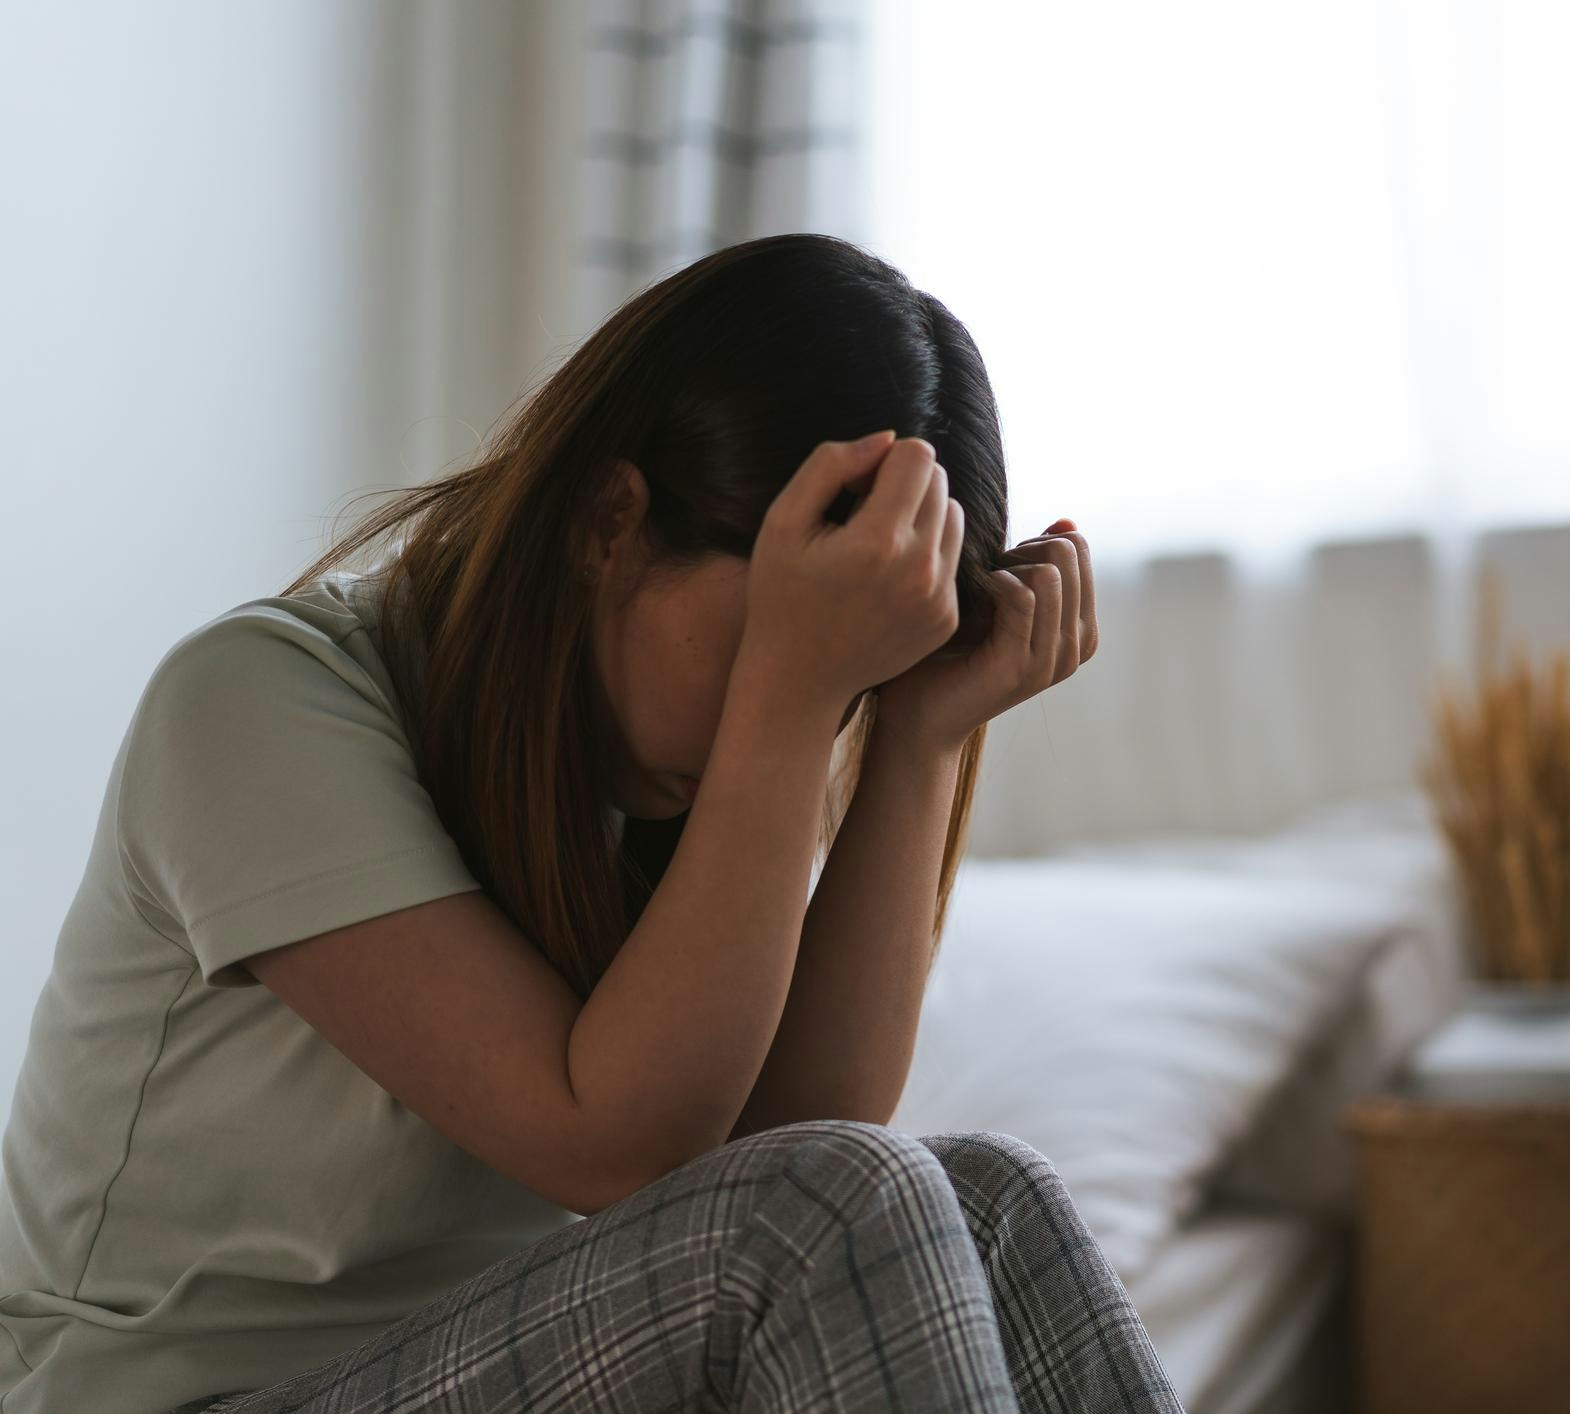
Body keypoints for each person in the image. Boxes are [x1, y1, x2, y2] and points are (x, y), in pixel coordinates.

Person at [0, 232, 1185, 1413]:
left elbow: (785, 1140)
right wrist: (786, 694)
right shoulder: (257, 703)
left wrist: (919, 737)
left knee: (987, 1193)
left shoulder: (636, 785)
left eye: (847, 680)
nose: (796, 714)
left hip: (489, 1369)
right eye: (771, 643)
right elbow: (621, 1148)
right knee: (841, 1196)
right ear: (609, 521)